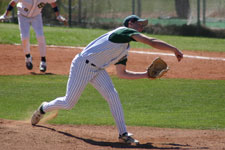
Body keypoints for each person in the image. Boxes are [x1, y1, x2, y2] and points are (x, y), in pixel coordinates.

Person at [31, 15, 183, 145]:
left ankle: (123, 134)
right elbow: (151, 42)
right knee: (68, 103)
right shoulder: (123, 32)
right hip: (82, 66)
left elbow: (122, 73)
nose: (141, 27)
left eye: (142, 25)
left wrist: (146, 75)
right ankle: (43, 108)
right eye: (139, 24)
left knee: (113, 95)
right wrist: (174, 49)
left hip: (97, 69)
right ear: (130, 24)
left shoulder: (124, 48)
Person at [0, 0, 66, 72]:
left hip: (36, 16)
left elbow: (53, 3)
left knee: (40, 36)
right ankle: (28, 57)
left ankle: (43, 61)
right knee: (25, 37)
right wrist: (5, 15)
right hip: (22, 16)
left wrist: (58, 16)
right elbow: (13, 2)